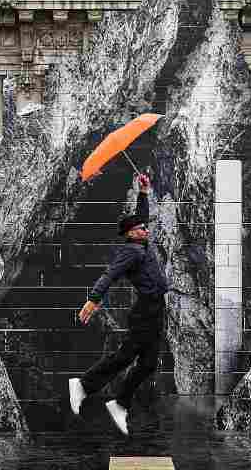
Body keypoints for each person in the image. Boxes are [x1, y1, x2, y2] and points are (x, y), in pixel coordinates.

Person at [68, 173, 169, 436]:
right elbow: (109, 274)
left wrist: (144, 192)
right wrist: (93, 300)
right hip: (145, 312)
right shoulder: (130, 251)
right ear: (130, 234)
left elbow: (141, 217)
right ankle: (83, 385)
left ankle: (120, 403)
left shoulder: (141, 243)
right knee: (126, 356)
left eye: (144, 228)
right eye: (141, 229)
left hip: (156, 311)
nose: (146, 230)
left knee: (147, 364)